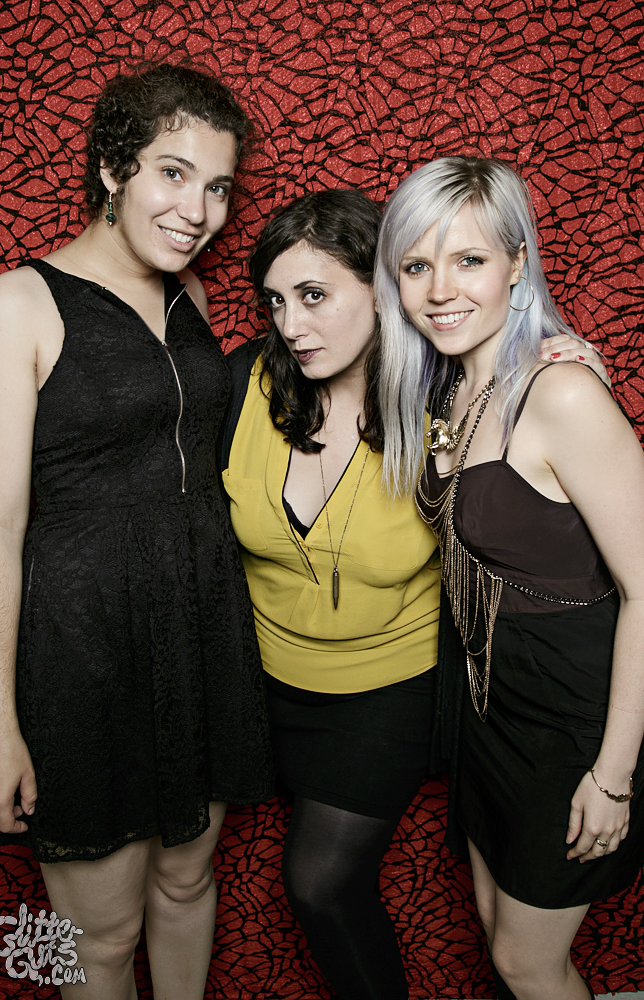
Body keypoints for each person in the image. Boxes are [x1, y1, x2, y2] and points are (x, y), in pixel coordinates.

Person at [218, 188, 609, 1000]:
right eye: (276, 301)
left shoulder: (444, 394)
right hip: (263, 684)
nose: (291, 324)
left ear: (378, 290)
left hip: (390, 689)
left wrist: (570, 366)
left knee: (319, 885)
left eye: (314, 295)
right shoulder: (242, 384)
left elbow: (538, 456)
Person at [0, 63, 273, 1000]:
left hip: (199, 630)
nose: (198, 210)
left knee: (187, 882)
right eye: (173, 173)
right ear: (112, 168)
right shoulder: (17, 303)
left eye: (217, 186)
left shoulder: (189, 299)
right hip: (83, 650)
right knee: (96, 938)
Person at [374, 155, 644, 1000]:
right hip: (488, 713)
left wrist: (612, 775)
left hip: (572, 724)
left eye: (468, 260)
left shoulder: (559, 393)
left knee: (527, 963)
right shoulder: (447, 388)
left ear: (517, 263)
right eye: (415, 265)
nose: (438, 290)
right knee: (501, 943)